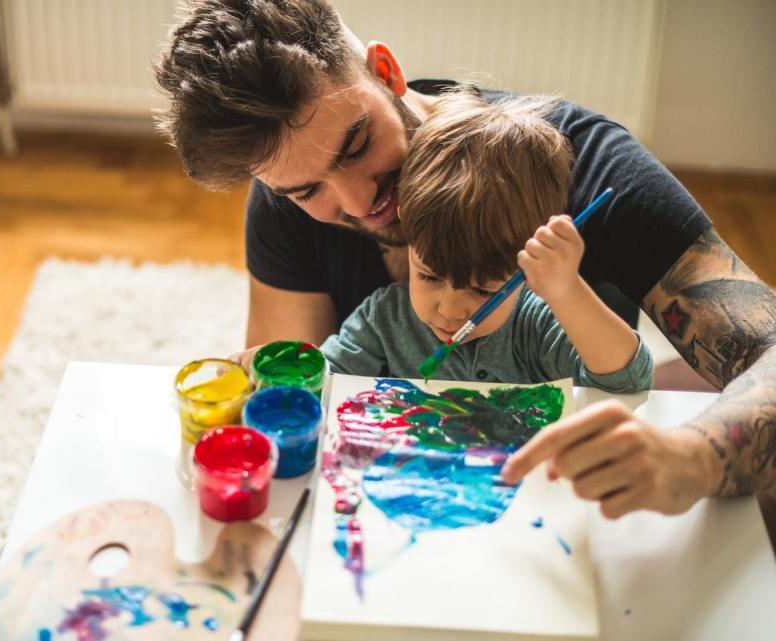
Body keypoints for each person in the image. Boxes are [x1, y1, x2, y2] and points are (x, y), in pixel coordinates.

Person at [154, 0, 776, 519]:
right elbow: (297, 404)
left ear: (386, 71)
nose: (357, 201)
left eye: (356, 146)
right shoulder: (285, 202)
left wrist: (690, 459)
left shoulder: (587, 166)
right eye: (306, 189)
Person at [319, 89, 653, 397]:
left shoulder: (534, 325)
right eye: (429, 277)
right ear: (406, 220)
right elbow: (323, 380)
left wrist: (567, 289)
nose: (449, 311)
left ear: (527, 262)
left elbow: (628, 382)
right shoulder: (384, 320)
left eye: (483, 291)